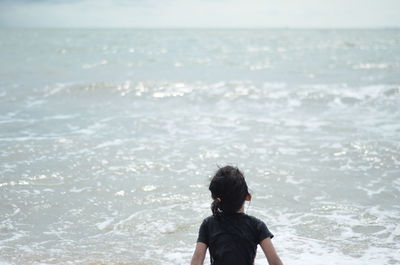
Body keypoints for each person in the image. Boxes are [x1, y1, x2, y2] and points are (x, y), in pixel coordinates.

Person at [190, 165, 283, 265]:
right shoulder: (256, 225)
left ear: (215, 197)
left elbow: (197, 258)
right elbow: (274, 261)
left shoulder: (208, 224)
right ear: (248, 196)